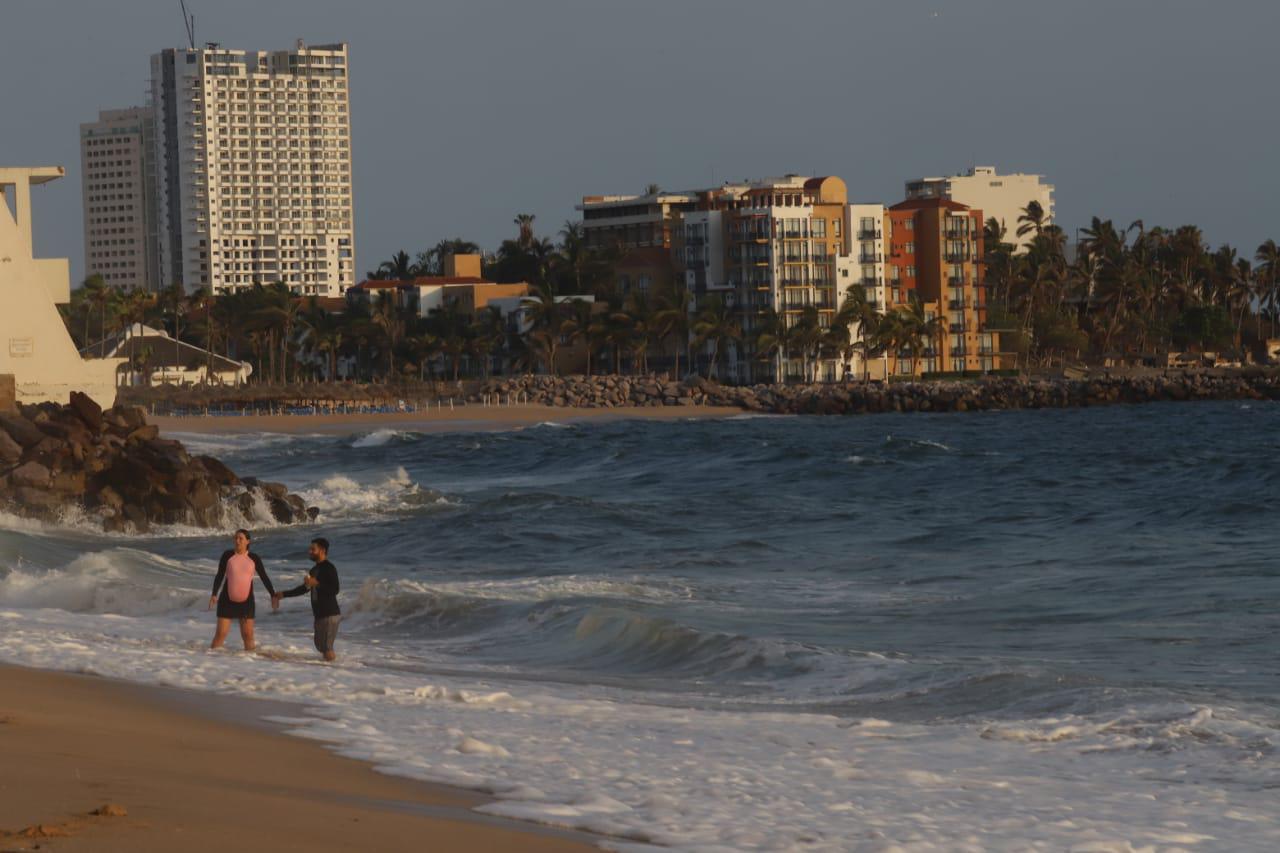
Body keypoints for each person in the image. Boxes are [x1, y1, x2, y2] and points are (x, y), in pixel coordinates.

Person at [273, 537, 341, 662]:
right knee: (321, 647)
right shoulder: (314, 570)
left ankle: (333, 674)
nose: (309, 551)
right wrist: (283, 594)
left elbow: (335, 589)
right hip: (320, 614)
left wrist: (317, 584)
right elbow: (304, 589)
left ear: (322, 550)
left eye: (313, 549)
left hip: (330, 614)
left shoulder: (329, 568)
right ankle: (330, 672)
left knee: (327, 649)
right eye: (310, 549)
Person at [208, 528, 276, 651]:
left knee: (248, 636)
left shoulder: (254, 558)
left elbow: (264, 577)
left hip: (247, 602)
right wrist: (214, 594)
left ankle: (250, 665)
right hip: (226, 600)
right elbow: (219, 575)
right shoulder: (227, 555)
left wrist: (272, 595)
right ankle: (211, 661)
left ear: (247, 541)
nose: (237, 541)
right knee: (220, 635)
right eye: (236, 538)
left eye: (241, 538)